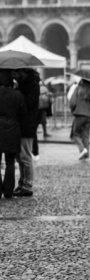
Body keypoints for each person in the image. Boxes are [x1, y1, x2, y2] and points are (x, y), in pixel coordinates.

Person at [0, 70, 26, 200]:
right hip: (13, 130)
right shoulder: (18, 95)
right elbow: (23, 113)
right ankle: (8, 191)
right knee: (10, 162)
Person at [14, 69, 40, 197]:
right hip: (22, 124)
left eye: (15, 72)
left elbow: (28, 104)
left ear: (22, 73)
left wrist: (18, 93)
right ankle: (22, 183)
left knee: (25, 157)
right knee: (20, 157)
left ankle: (28, 185)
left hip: (27, 125)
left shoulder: (31, 85)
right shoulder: (24, 84)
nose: (13, 75)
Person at [69, 78, 90, 160]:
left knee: (74, 134)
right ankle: (86, 154)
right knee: (86, 135)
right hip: (89, 115)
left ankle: (82, 150)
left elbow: (72, 102)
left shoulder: (78, 88)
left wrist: (72, 110)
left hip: (79, 114)